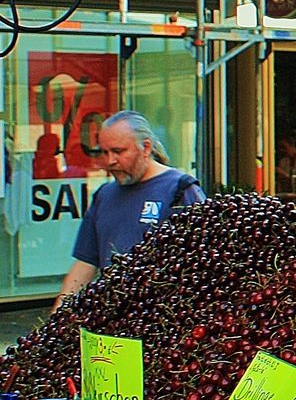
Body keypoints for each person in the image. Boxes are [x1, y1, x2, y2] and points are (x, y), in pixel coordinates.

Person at [56, 110, 205, 309]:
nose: (110, 161)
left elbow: (203, 266)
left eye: (118, 151)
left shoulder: (181, 190)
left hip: (162, 321)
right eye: (104, 152)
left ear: (145, 147)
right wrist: (58, 317)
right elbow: (85, 263)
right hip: (113, 318)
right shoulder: (104, 195)